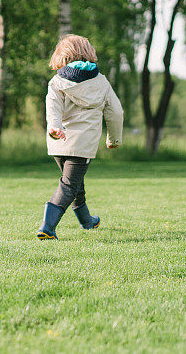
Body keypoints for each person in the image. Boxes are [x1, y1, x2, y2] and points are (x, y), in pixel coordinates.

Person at [37, 34, 124, 240]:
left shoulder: (57, 82)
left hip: (60, 142)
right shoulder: (101, 82)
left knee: (76, 183)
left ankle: (87, 221)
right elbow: (116, 112)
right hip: (82, 145)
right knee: (69, 185)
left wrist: (55, 128)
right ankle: (47, 227)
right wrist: (114, 139)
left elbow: (53, 107)